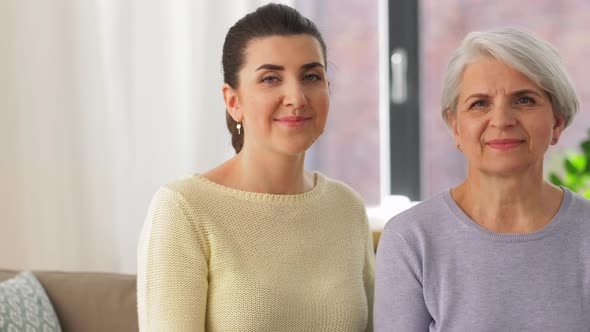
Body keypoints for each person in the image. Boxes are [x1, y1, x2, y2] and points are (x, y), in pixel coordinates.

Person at [137, 3, 374, 331]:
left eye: (311, 76)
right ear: (233, 102)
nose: (296, 96)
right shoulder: (184, 209)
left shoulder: (347, 207)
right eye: (270, 78)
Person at [374, 28, 590, 331]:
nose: (501, 120)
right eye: (479, 103)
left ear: (557, 122)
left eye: (524, 100)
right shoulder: (410, 239)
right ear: (456, 127)